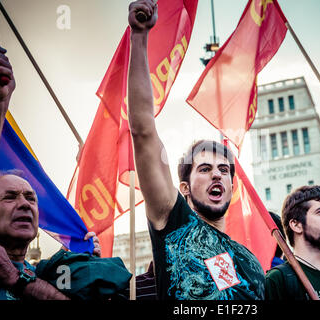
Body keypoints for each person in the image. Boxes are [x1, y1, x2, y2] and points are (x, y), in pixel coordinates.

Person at [127, 0, 264, 299]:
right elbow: (143, 132)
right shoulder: (174, 221)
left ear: (232, 185)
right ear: (185, 188)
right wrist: (139, 38)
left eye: (224, 170)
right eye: (205, 169)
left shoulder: (252, 264)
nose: (217, 175)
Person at [0, 47, 104, 300]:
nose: (24, 204)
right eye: (9, 197)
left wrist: (86, 268)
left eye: (31, 198)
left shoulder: (53, 277)